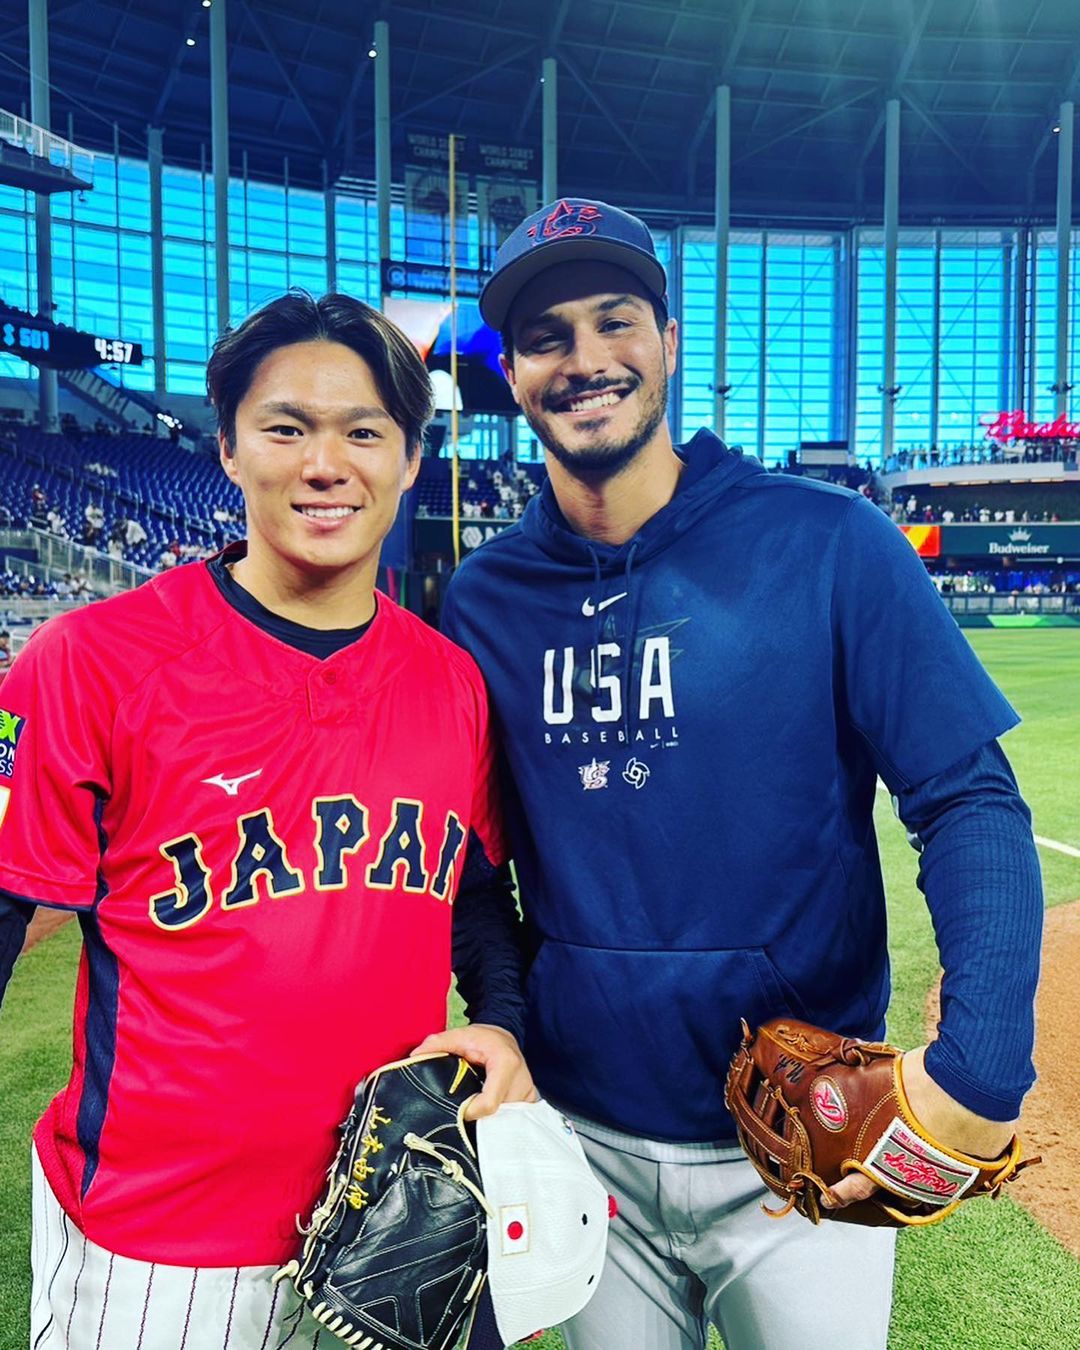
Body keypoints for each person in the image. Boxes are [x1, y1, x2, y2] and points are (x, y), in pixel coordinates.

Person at [440, 200, 1043, 1350]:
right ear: (512, 372)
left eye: (614, 320)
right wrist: (505, 1022)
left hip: (801, 1153)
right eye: (546, 336)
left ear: (667, 339)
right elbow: (477, 869)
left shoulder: (828, 541)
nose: (585, 360)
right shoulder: (485, 601)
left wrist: (983, 1063)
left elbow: (964, 796)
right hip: (587, 1143)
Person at [0, 290, 533, 1350]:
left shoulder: (453, 684)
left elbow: (472, 894)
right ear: (230, 451)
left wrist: (506, 1022)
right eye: (286, 427)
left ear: (410, 459)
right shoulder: (94, 661)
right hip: (159, 1245)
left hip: (398, 1216)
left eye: (364, 431)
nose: (324, 464)